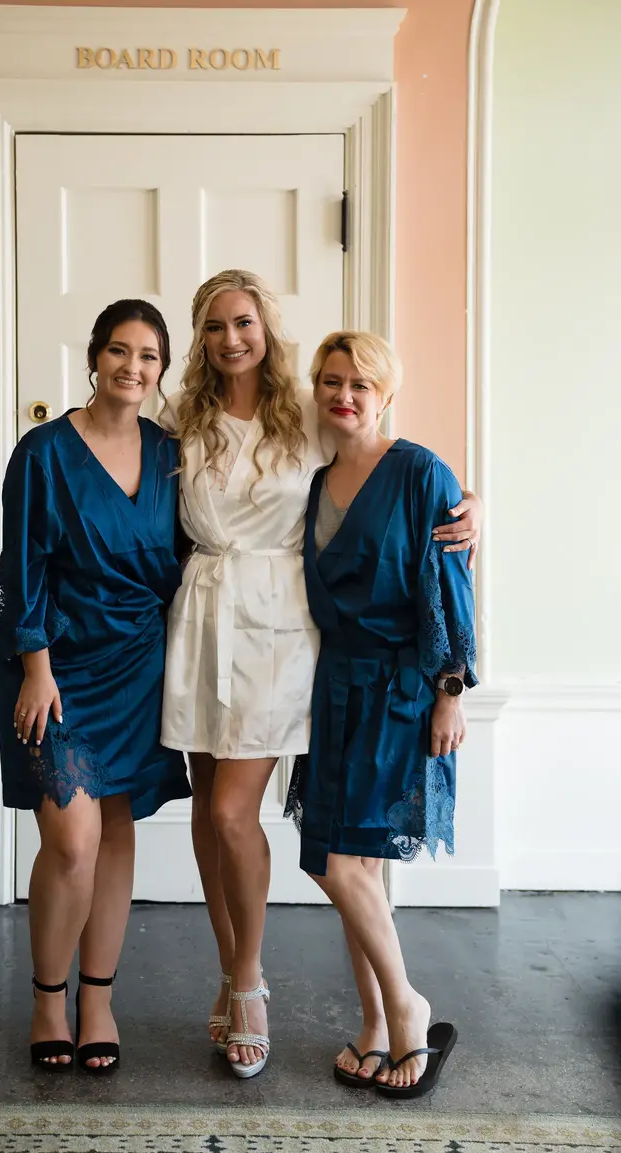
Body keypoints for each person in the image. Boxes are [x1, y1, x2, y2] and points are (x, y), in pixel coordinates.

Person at [159, 269, 483, 1079]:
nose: (230, 339)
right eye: (212, 326)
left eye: (244, 323)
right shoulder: (180, 420)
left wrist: (475, 504)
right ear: (199, 338)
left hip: (280, 625)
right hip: (200, 618)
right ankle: (237, 976)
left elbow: (392, 463)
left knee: (237, 812)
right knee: (208, 805)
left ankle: (251, 983)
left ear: (265, 327)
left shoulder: (302, 410)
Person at [0, 298, 190, 1073]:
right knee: (72, 840)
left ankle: (96, 997)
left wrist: (459, 508)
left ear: (161, 370)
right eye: (119, 351)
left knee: (117, 828)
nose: (132, 368)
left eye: (148, 356)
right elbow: (24, 566)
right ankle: (46, 999)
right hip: (58, 666)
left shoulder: (173, 453)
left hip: (140, 663)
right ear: (94, 358)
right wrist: (33, 666)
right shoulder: (43, 452)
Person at [285, 330, 477, 1099]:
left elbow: (454, 587)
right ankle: (372, 1024)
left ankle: (407, 1008)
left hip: (402, 688)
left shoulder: (422, 471)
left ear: (385, 392)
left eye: (361, 383)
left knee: (343, 864)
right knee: (349, 863)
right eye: (332, 381)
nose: (345, 395)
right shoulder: (316, 478)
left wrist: (451, 690)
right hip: (334, 685)